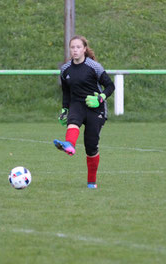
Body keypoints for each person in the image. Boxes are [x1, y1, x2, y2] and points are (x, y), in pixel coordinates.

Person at [54, 35, 115, 189]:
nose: (75, 50)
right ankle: (69, 145)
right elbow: (66, 93)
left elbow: (110, 86)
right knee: (72, 122)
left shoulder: (94, 67)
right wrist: (64, 109)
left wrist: (100, 99)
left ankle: (91, 182)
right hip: (77, 105)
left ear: (84, 49)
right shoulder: (65, 69)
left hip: (96, 108)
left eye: (78, 47)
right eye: (72, 47)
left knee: (91, 146)